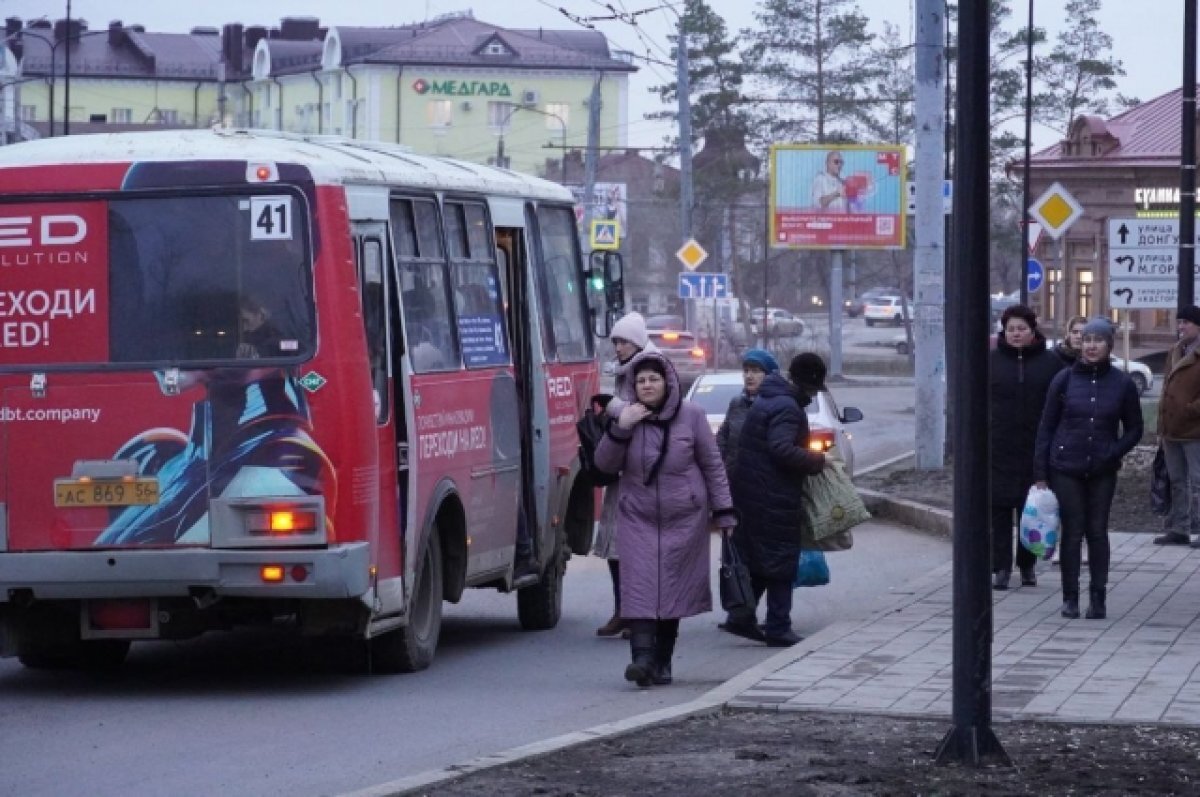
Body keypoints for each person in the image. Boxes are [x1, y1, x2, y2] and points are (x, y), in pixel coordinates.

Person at [593, 352, 737, 686]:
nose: (647, 385)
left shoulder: (692, 417)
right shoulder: (626, 417)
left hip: (685, 518)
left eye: (653, 379)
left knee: (673, 591)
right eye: (641, 380)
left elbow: (712, 465)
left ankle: (663, 662)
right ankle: (641, 661)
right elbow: (603, 466)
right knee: (640, 587)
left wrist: (725, 510)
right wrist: (622, 428)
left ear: (667, 382)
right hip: (637, 517)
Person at [1034, 318, 1143, 620]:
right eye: (1087, 340)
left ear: (1109, 345)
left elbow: (1135, 429)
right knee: (1072, 532)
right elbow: (1046, 427)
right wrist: (1040, 472)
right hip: (1065, 466)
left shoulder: (1122, 384)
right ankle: (1070, 598)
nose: (1092, 345)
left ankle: (1098, 597)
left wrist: (1113, 452)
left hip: (1101, 469)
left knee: (1097, 532)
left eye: (1099, 340)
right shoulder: (1064, 380)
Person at [726, 352, 828, 647]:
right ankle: (778, 626)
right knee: (782, 562)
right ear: (808, 384)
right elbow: (781, 448)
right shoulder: (787, 407)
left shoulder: (770, 400)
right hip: (773, 495)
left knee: (762, 561)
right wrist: (815, 460)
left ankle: (740, 617)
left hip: (754, 493)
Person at [990, 304, 1065, 591]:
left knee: (1030, 510)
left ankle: (1027, 566)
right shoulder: (992, 361)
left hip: (1037, 448)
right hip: (998, 447)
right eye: (1011, 329)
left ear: (1033, 330)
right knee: (998, 511)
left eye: (1021, 329)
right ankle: (1000, 567)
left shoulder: (1050, 363)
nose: (1016, 334)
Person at [593, 312, 653, 637]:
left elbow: (642, 411)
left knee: (636, 549)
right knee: (615, 547)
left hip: (641, 469)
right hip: (620, 465)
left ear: (638, 342)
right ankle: (624, 610)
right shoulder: (622, 370)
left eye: (623, 341)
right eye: (615, 341)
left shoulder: (648, 369)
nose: (617, 347)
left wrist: (614, 407)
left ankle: (638, 613)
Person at [715, 348, 779, 641]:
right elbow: (723, 440)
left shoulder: (777, 405)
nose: (750, 375)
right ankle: (739, 612)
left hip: (764, 494)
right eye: (747, 370)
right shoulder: (737, 404)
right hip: (734, 492)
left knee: (761, 558)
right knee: (735, 556)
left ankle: (744, 613)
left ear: (770, 375)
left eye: (757, 370)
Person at [1154, 305, 1200, 547]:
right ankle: (1179, 528)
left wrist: (1190, 410)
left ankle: (1198, 528)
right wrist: (1161, 426)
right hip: (1171, 430)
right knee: (1177, 481)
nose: (1181, 327)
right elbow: (1165, 390)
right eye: (1179, 322)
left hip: (1194, 430)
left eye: (1186, 322)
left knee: (1198, 481)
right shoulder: (1174, 350)